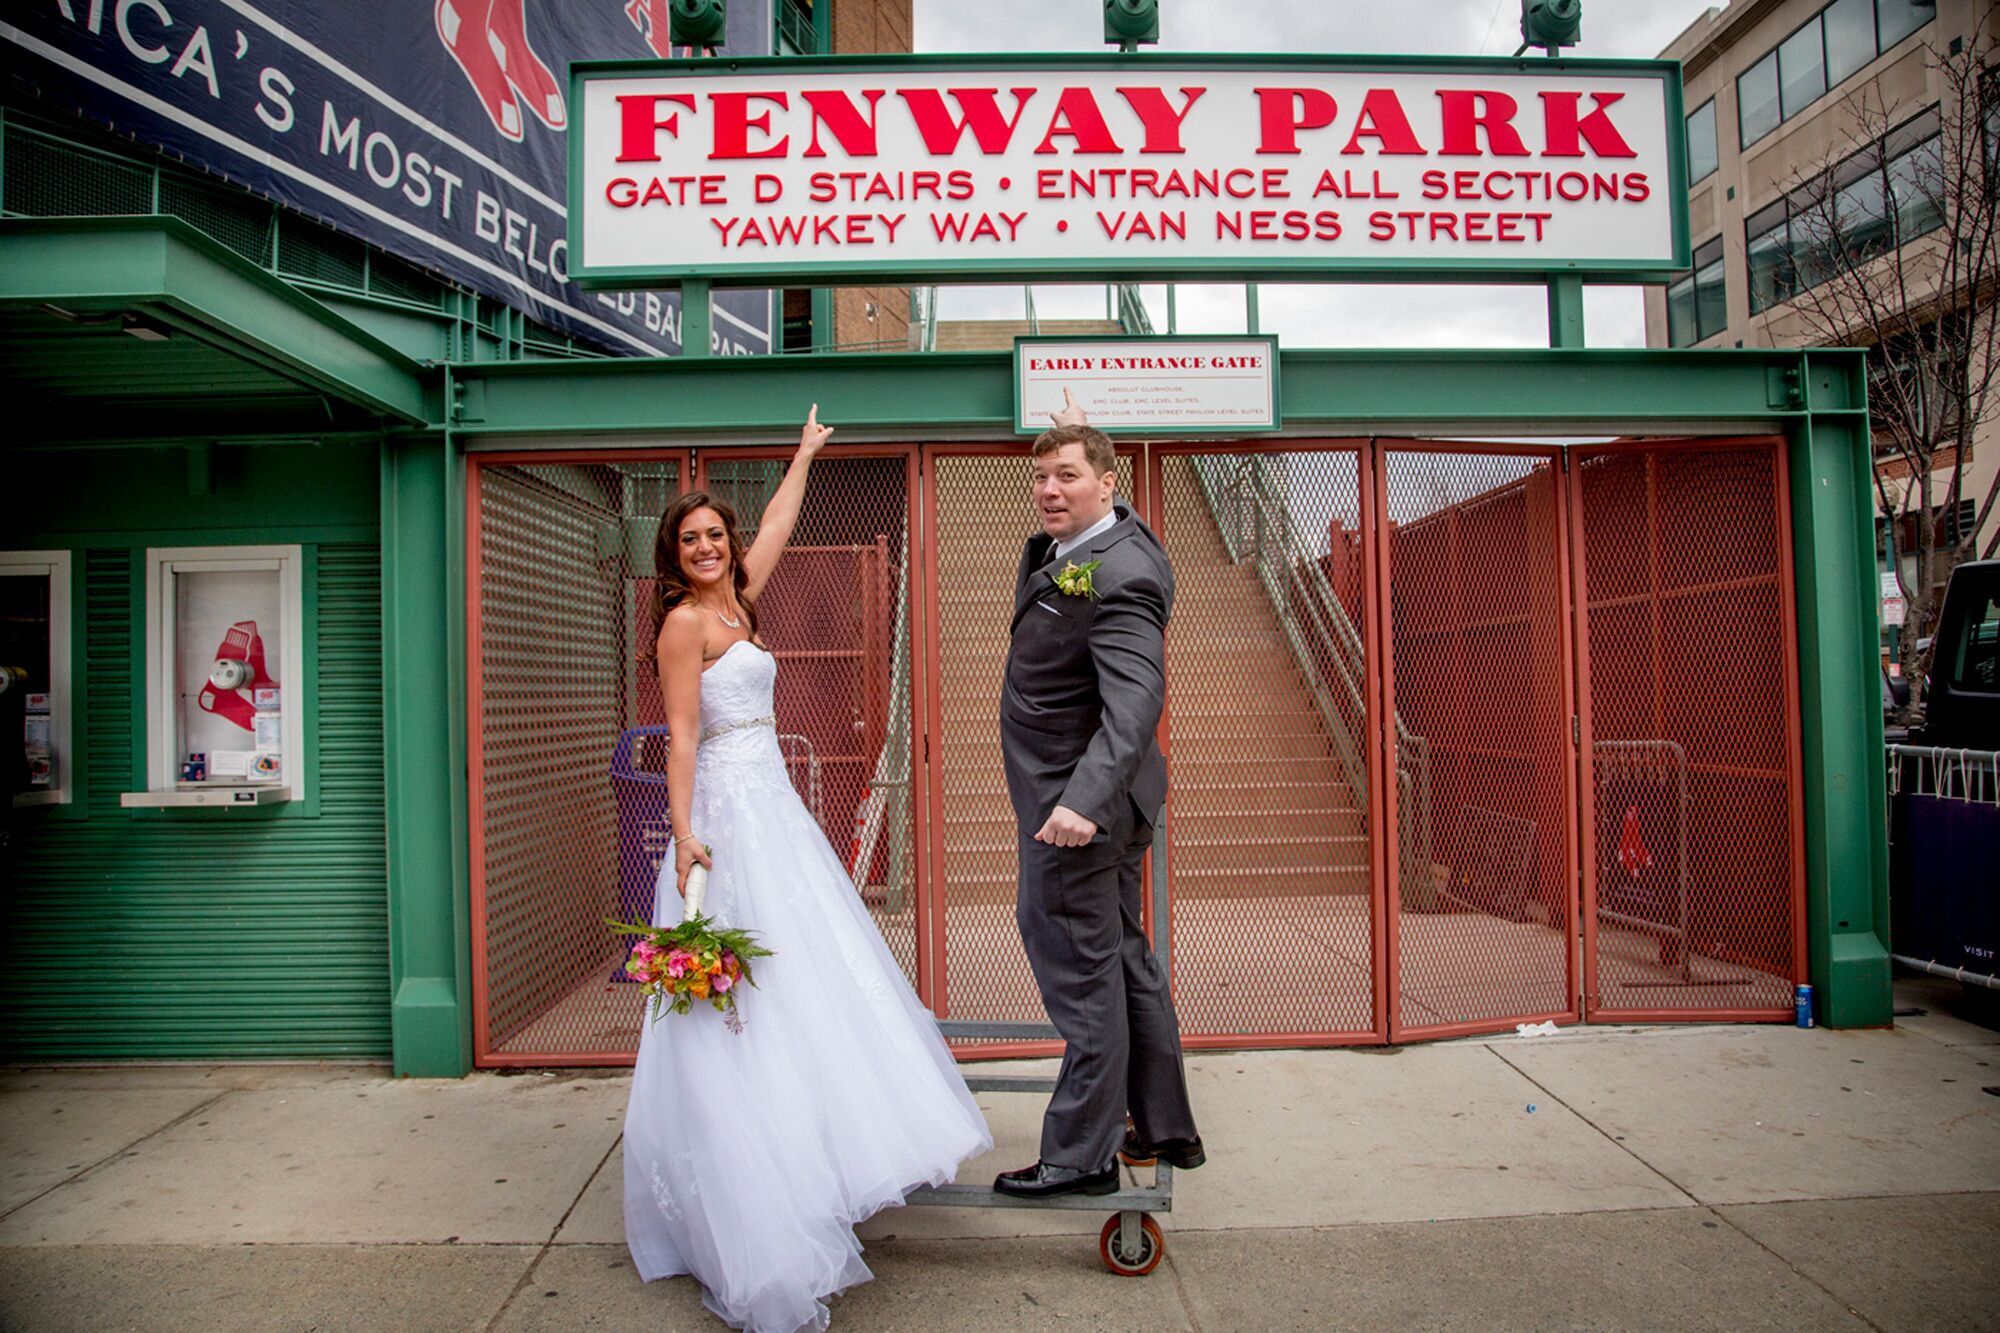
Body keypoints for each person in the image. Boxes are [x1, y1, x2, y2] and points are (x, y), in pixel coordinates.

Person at [622, 406, 990, 1333]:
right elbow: (680, 733)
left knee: (809, 981)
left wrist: (803, 457)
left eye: (714, 534)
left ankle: (815, 1154)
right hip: (724, 819)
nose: (706, 546)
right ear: (673, 554)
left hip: (775, 807)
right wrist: (683, 830)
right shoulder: (681, 625)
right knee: (745, 1004)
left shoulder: (737, 601)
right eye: (690, 539)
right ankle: (757, 1198)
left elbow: (779, 522)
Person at [993, 391, 1202, 1199]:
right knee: (1118, 959)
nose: (1049, 490)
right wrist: (1079, 437)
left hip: (1076, 813)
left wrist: (1079, 803)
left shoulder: (1119, 574)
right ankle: (1162, 1122)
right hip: (1087, 802)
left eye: (1068, 476)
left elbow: (1137, 702)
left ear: (1107, 484)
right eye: (1041, 476)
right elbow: (1093, 521)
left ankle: (1080, 1155)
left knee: (1083, 976)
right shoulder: (1100, 538)